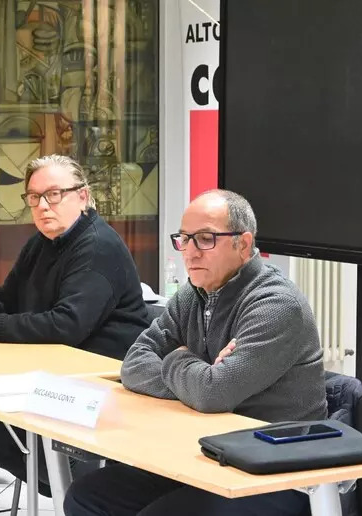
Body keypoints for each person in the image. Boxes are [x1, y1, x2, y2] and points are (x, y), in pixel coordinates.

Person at [64, 189, 327, 516]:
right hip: (207, 452)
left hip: (273, 469)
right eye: (184, 239)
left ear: (243, 244)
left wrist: (178, 356)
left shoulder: (276, 305)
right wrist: (201, 375)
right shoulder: (194, 293)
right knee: (87, 496)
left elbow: (213, 393)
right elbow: (133, 364)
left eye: (205, 239)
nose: (189, 252)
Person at [0, 154, 150, 494]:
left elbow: (68, 325)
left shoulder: (98, 246)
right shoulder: (41, 243)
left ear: (82, 196)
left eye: (54, 194)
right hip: (54, 372)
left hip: (98, 384)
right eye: (34, 197)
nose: (43, 206)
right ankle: (66, 493)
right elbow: (6, 297)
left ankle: (79, 493)